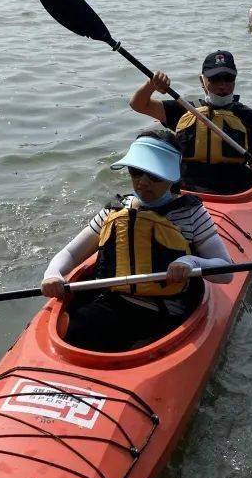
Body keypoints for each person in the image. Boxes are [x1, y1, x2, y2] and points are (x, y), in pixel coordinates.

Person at [41, 129, 234, 352]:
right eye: (136, 172)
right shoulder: (115, 210)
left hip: (166, 312)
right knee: (73, 332)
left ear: (173, 176)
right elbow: (71, 254)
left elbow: (226, 272)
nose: (142, 182)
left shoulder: (191, 214)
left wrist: (191, 262)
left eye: (154, 176)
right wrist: (53, 274)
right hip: (112, 303)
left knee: (141, 346)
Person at [128, 51, 252, 196]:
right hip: (187, 191)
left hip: (236, 192)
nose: (223, 85)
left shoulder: (246, 115)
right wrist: (151, 85)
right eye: (215, 79)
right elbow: (138, 105)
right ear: (202, 81)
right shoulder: (185, 109)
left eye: (228, 78)